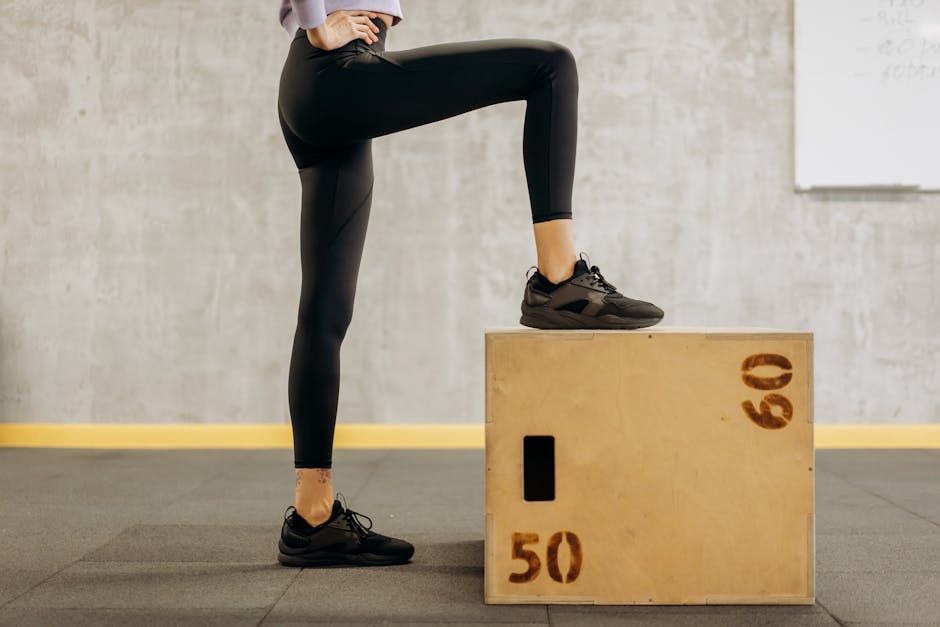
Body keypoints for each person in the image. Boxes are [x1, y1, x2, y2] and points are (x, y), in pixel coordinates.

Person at [275, 0, 664, 568]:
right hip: (336, 70)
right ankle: (559, 279)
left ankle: (312, 517)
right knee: (550, 66)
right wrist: (318, 28)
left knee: (325, 313)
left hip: (316, 90)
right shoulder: (328, 42)